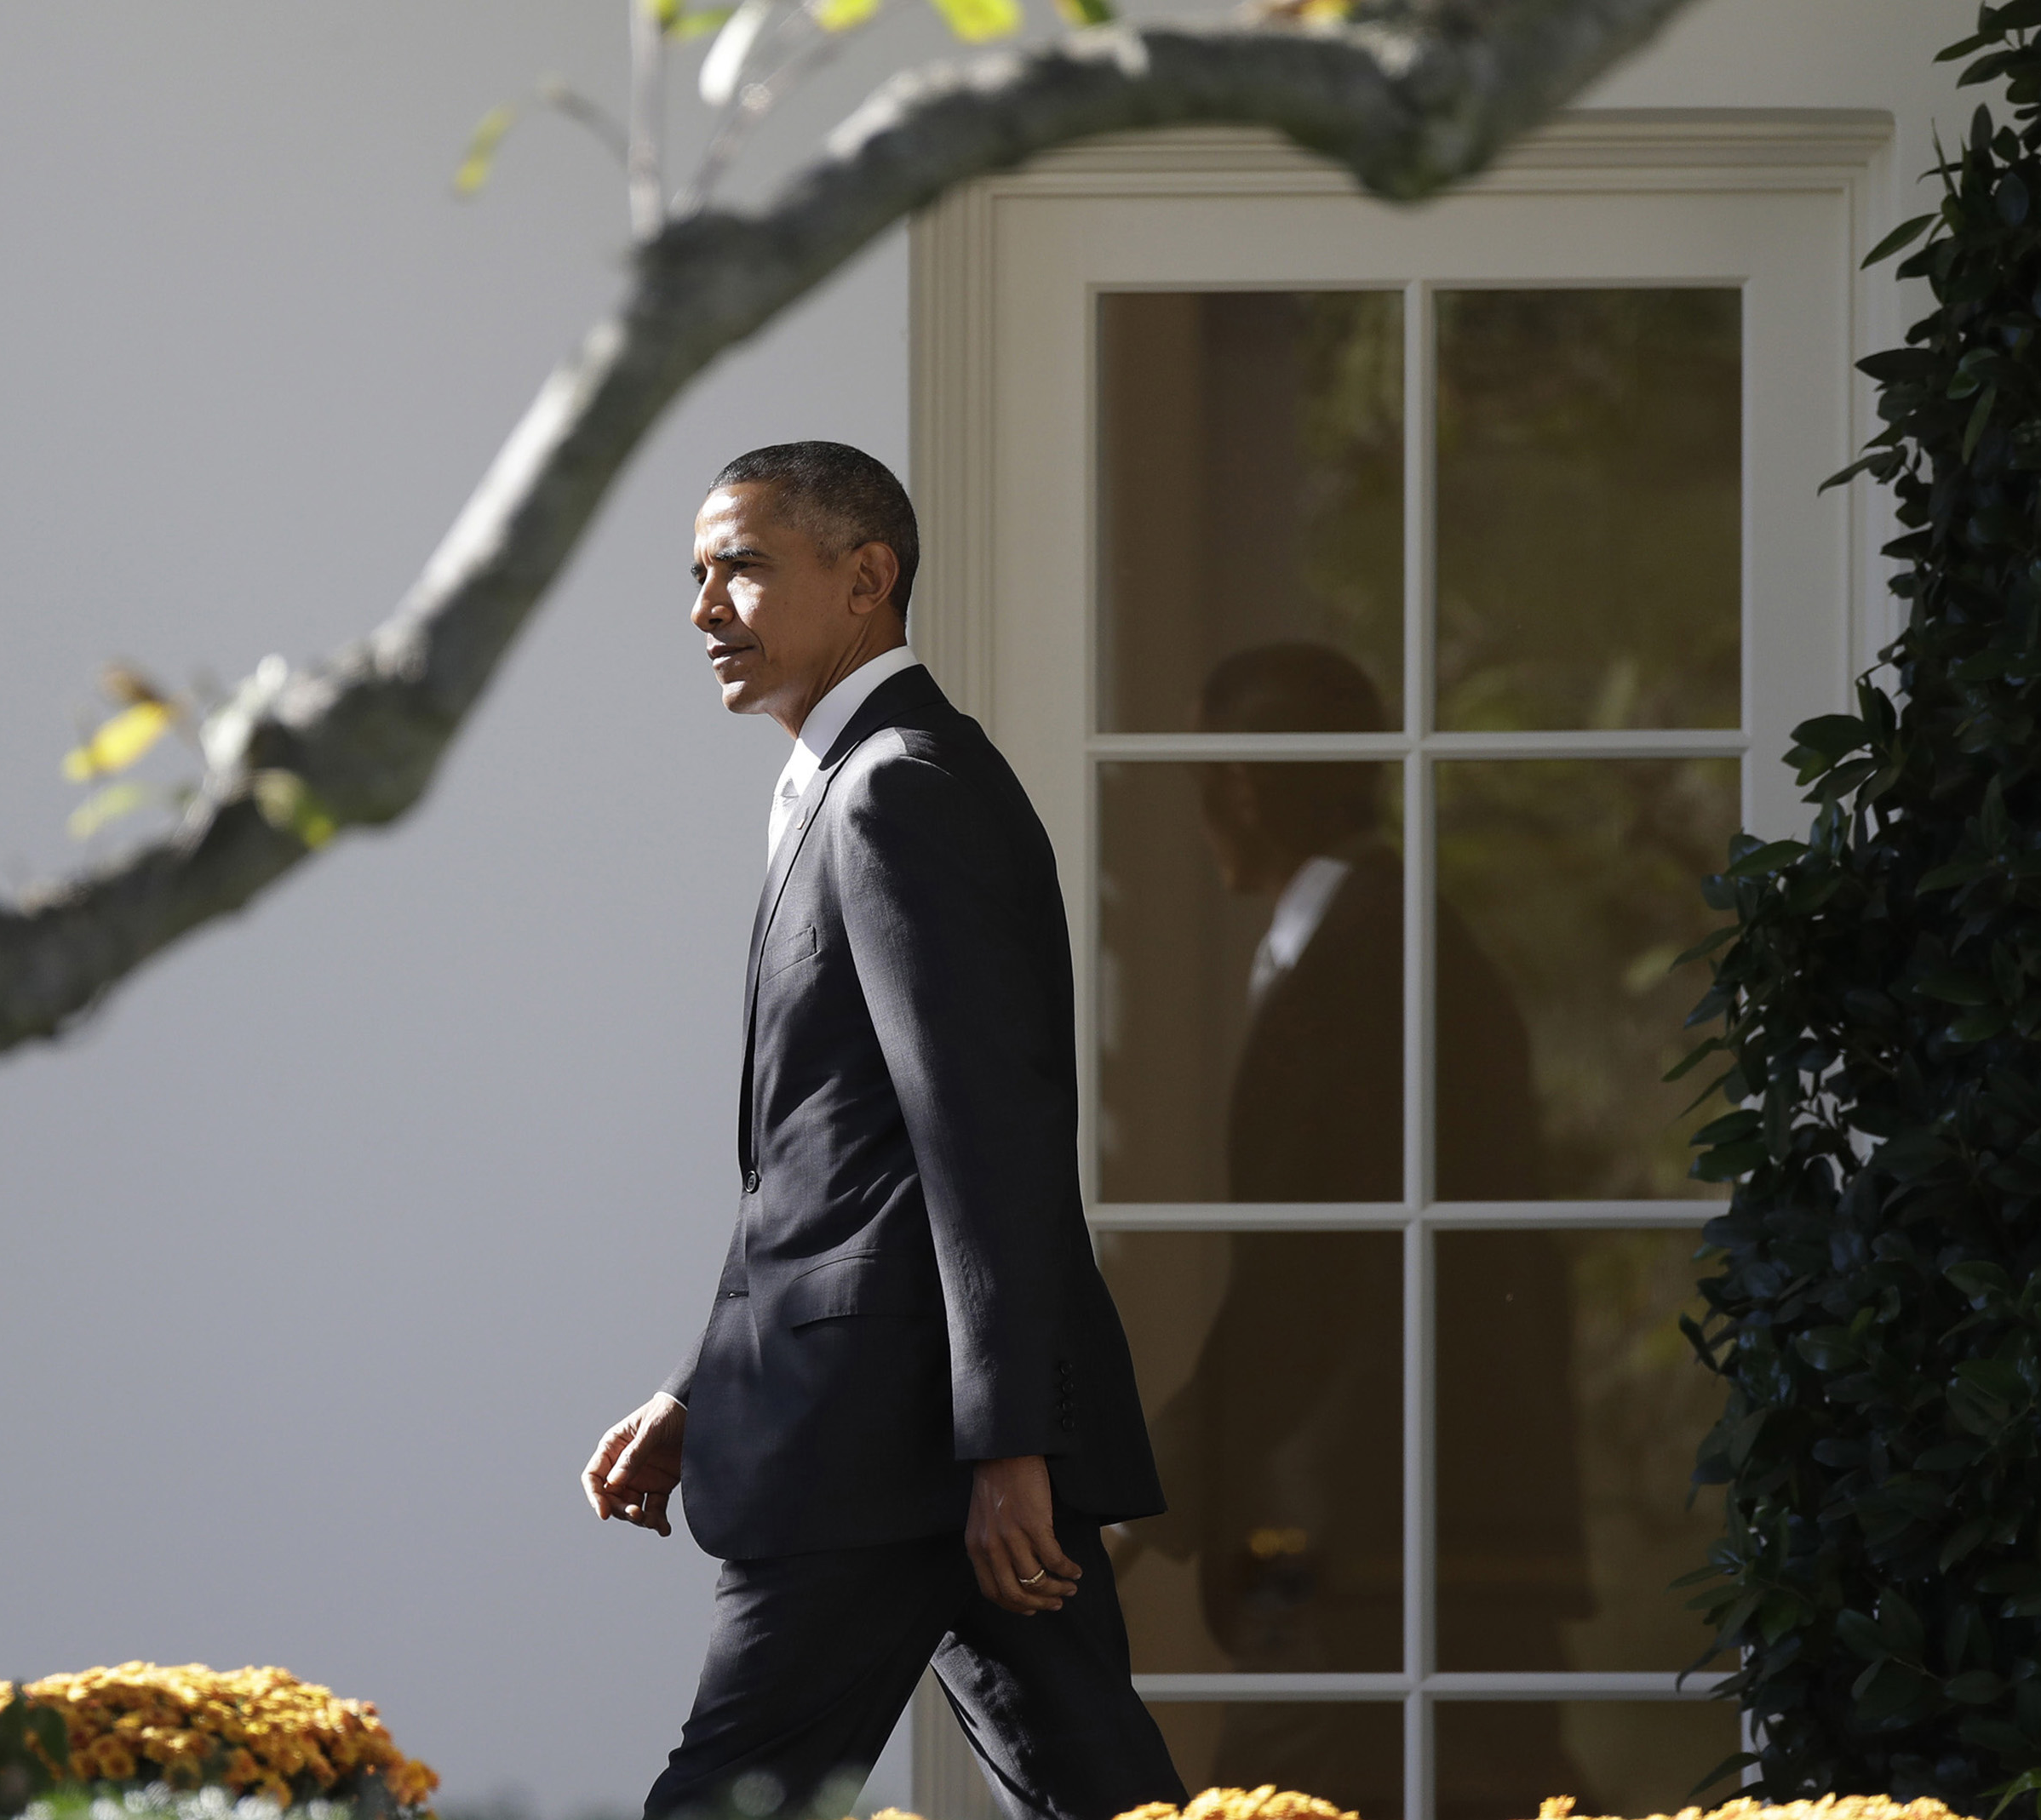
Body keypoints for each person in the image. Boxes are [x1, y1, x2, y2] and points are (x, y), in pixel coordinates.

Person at [582, 442, 1183, 1820]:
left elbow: (983, 1132)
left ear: (868, 579)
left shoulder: (899, 784)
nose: (704, 608)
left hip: (896, 1449)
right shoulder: (844, 780)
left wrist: (1008, 1441)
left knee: (729, 1798)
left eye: (741, 564)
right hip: (905, 1436)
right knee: (1102, 1798)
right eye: (696, 574)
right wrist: (701, 1384)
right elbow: (829, 1160)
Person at [1119, 642, 1589, 1820]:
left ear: (1237, 789)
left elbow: (1307, 1278)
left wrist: (1149, 1487)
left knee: (1274, 1795)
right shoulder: (1385, 946)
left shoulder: (1369, 962)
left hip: (1364, 1531)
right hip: (1389, 1516)